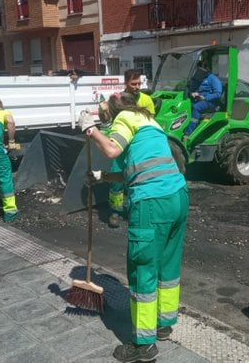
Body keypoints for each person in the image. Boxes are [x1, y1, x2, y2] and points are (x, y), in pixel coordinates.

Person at [79, 92, 189, 362]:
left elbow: (112, 149)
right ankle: (164, 324)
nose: (103, 116)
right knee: (167, 264)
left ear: (114, 111)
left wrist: (90, 129)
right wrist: (103, 177)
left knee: (143, 272)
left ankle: (144, 345)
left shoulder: (124, 118)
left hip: (152, 204)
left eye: (103, 112)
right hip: (178, 197)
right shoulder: (149, 121)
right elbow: (137, 168)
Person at [104, 69, 155, 228]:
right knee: (116, 180)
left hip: (138, 147)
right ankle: (115, 211)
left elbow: (149, 122)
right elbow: (111, 121)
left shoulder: (146, 100)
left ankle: (136, 210)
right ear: (126, 83)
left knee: (139, 179)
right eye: (134, 84)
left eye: (139, 83)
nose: (137, 86)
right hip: (121, 145)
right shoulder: (117, 100)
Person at [184, 61, 222, 137]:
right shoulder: (197, 78)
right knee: (186, 105)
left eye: (200, 70)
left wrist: (205, 97)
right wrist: (192, 93)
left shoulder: (213, 79)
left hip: (210, 102)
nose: (198, 71)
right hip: (198, 99)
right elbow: (192, 88)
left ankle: (189, 133)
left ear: (205, 70)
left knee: (197, 107)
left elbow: (218, 94)